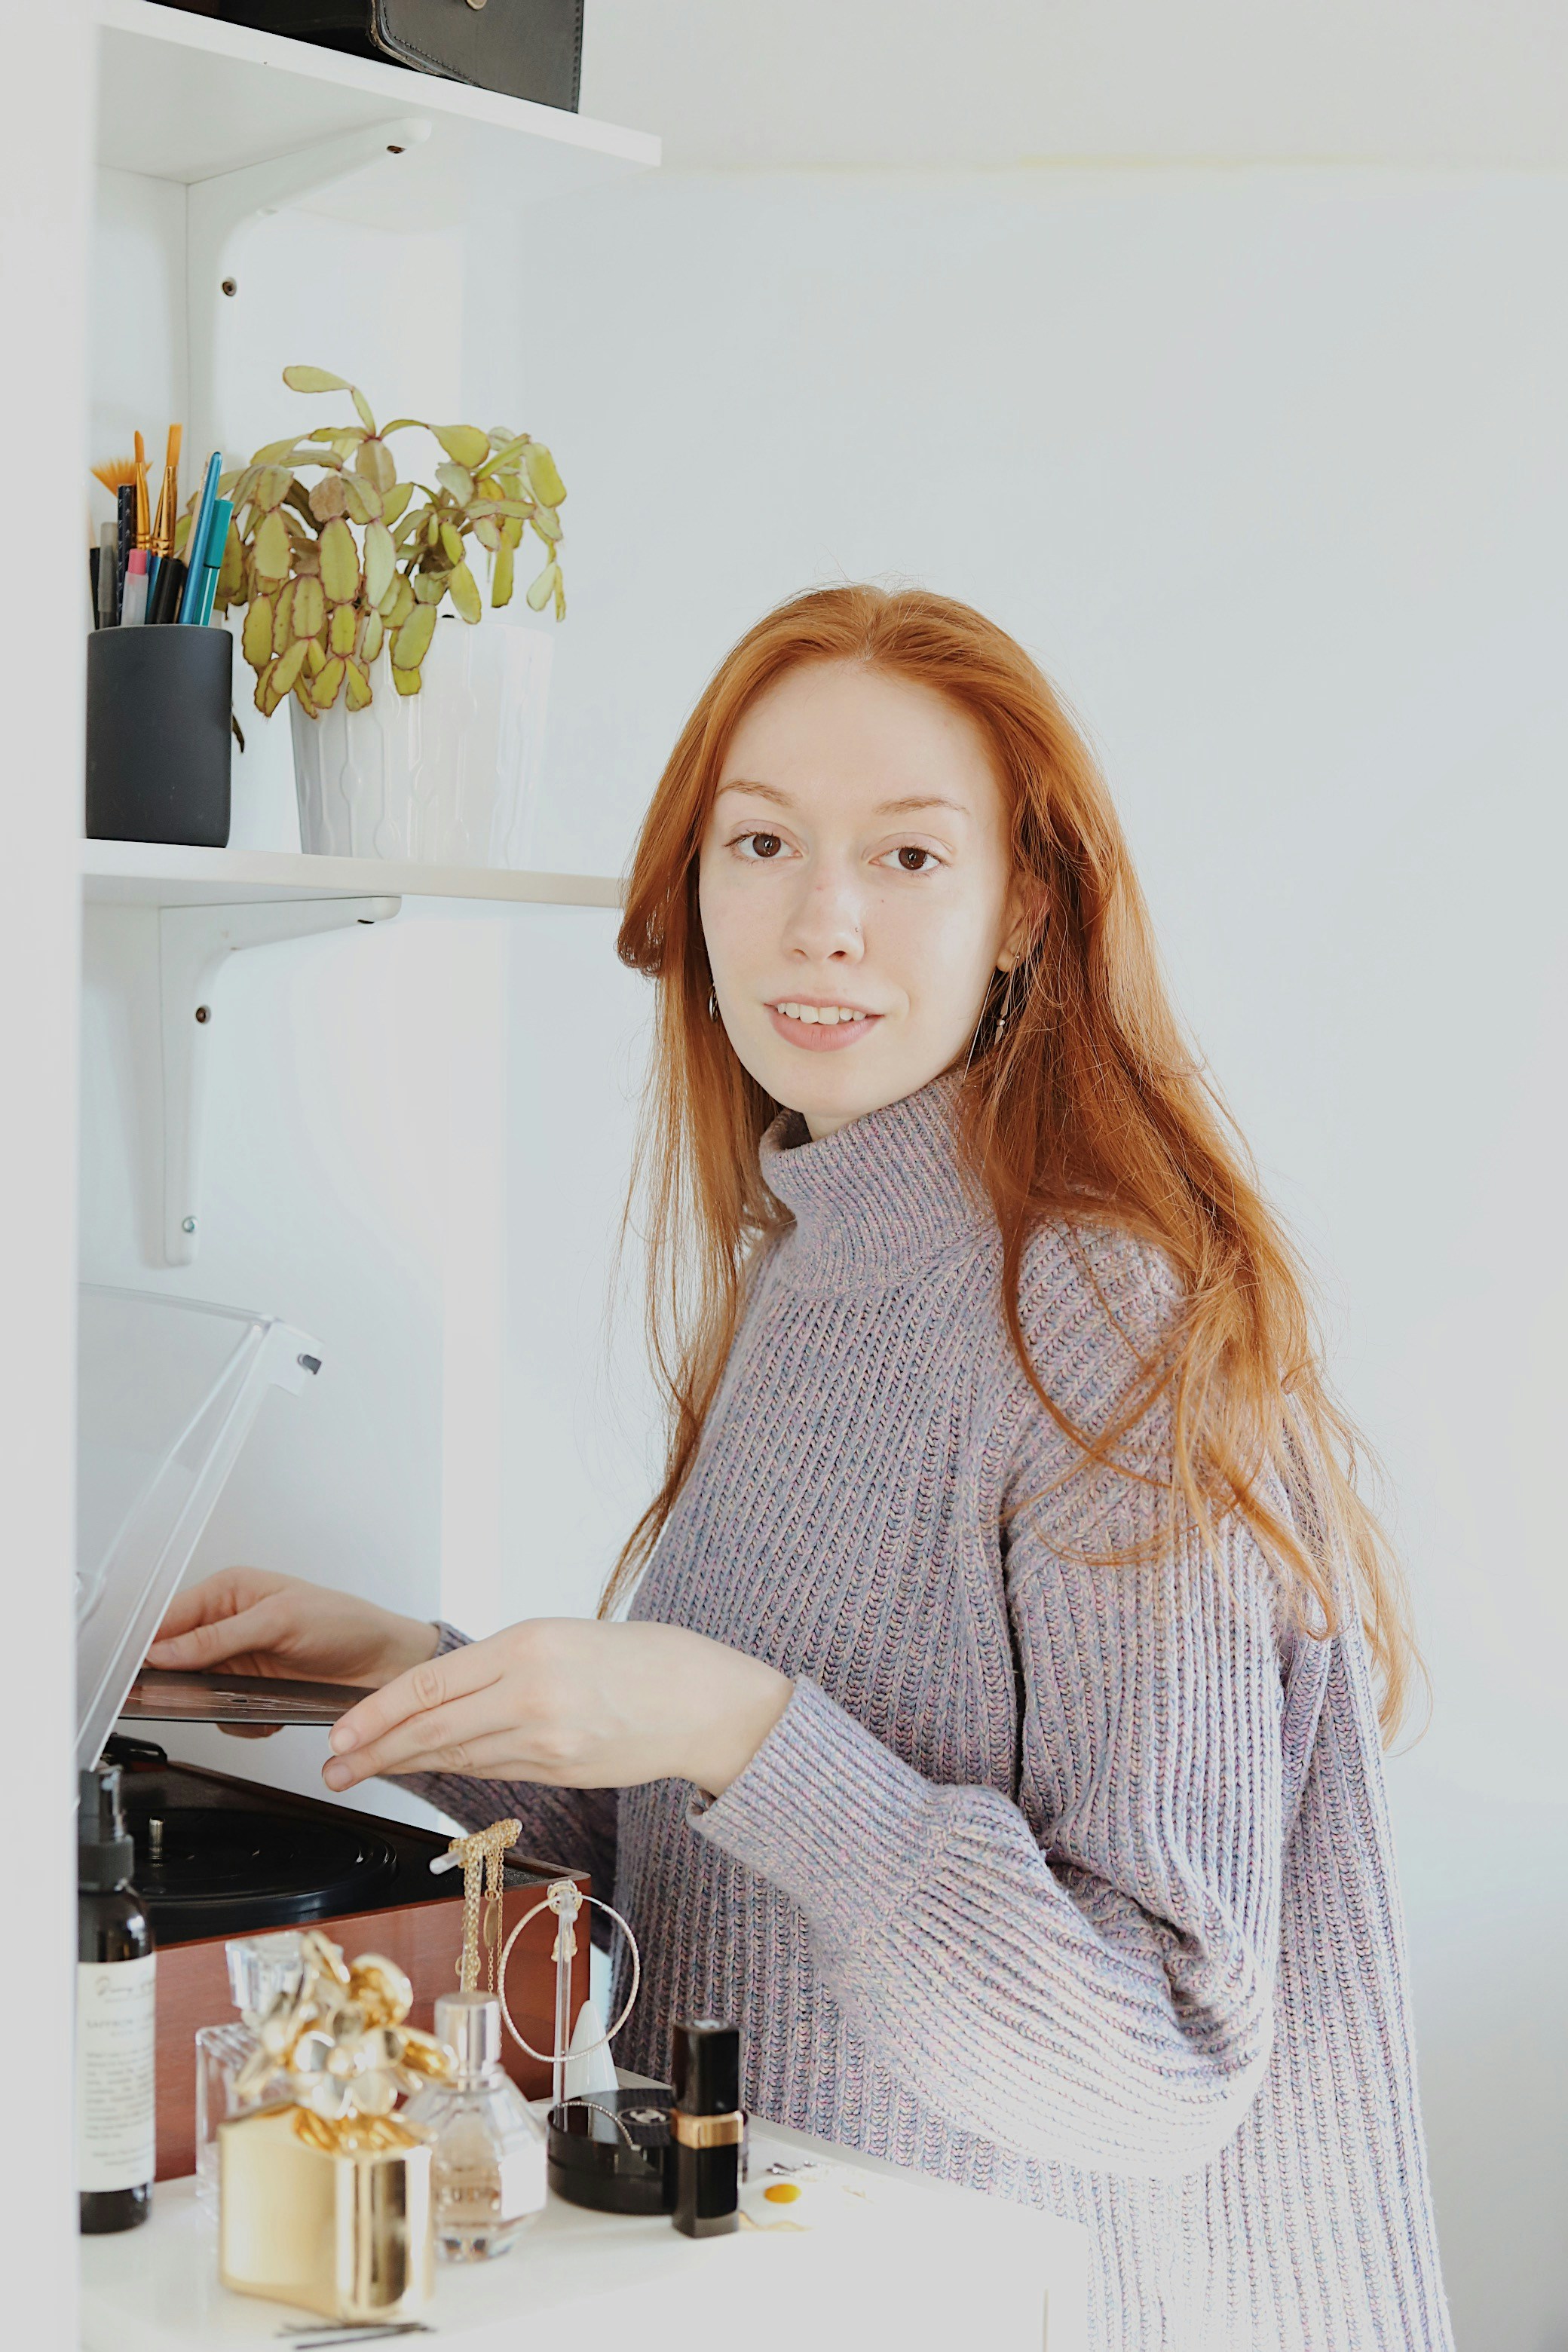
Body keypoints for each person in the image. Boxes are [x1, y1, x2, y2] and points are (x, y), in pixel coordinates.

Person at [154, 586, 1452, 2350]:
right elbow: (723, 1866)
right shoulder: (819, 1260)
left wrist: (733, 1722)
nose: (819, 921)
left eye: (907, 858)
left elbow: (1146, 2065)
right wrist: (412, 1677)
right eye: (760, 842)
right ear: (693, 889)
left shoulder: (1110, 1317)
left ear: (1024, 913)